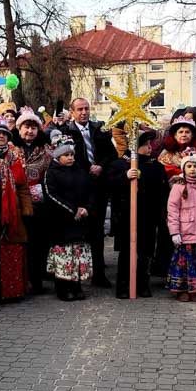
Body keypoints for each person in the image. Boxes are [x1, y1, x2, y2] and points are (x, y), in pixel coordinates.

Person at [59, 98, 115, 287]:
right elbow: (64, 157)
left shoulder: (99, 129)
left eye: (86, 109)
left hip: (98, 187)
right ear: (72, 112)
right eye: (79, 109)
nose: (84, 112)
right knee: (78, 234)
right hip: (79, 188)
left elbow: (111, 154)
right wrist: (85, 169)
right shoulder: (66, 132)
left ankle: (99, 274)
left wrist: (100, 166)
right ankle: (76, 276)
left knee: (97, 233)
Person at [106, 130, 168, 299]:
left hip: (149, 216)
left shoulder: (155, 166)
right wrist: (124, 177)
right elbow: (110, 184)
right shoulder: (121, 164)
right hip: (127, 216)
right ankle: (123, 285)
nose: (149, 148)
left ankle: (142, 283)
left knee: (146, 251)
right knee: (127, 252)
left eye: (150, 145)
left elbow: (162, 190)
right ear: (135, 147)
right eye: (145, 145)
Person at [0, 116, 33, 302]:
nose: (0, 136)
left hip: (13, 210)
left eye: (4, 133)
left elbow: (23, 185)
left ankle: (13, 291)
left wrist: (26, 207)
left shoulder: (14, 156)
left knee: (13, 247)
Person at [43, 132, 94, 301]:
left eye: (72, 154)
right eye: (66, 155)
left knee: (77, 256)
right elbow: (52, 195)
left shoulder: (80, 171)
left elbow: (89, 190)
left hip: (79, 222)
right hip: (61, 222)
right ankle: (63, 287)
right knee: (64, 256)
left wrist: (85, 207)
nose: (70, 158)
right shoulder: (51, 173)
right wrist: (73, 210)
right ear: (58, 156)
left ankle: (76, 285)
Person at [13, 107, 54, 294]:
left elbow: (51, 173)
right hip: (16, 202)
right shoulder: (11, 149)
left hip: (39, 204)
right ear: (19, 128)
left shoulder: (45, 151)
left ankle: (37, 280)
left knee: (38, 243)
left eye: (33, 128)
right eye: (26, 127)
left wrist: (42, 188)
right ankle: (20, 281)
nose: (29, 131)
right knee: (21, 243)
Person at [166, 154, 196, 302]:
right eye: (189, 166)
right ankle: (182, 289)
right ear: (184, 168)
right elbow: (172, 210)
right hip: (185, 232)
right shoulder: (178, 186)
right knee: (184, 263)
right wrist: (174, 232)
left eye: (195, 166)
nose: (192, 170)